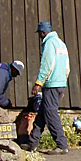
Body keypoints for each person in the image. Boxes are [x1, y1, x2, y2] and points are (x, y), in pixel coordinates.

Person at [24, 21, 71, 154]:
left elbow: (46, 64)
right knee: (42, 114)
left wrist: (38, 83)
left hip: (51, 84)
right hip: (60, 83)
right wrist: (63, 84)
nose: (39, 36)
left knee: (50, 114)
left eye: (39, 33)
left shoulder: (49, 44)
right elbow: (67, 66)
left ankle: (62, 145)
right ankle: (32, 143)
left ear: (43, 32)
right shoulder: (61, 43)